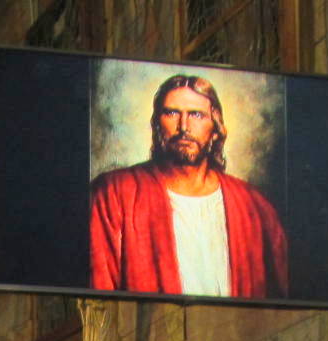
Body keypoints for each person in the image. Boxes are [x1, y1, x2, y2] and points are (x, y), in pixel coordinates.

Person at [89, 73, 288, 298]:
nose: (184, 127)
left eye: (196, 114)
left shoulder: (254, 205)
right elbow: (99, 295)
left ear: (215, 128)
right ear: (157, 124)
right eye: (172, 113)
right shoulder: (114, 194)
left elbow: (280, 298)